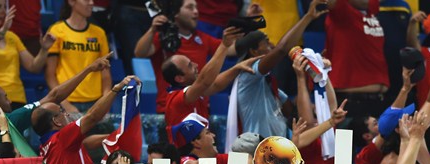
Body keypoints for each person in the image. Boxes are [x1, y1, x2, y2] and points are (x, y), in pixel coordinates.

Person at [0, 54, 111, 159]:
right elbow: (54, 97)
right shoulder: (8, 121)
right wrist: (88, 69)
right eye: (5, 97)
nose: (9, 102)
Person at [33, 74, 139, 164]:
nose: (67, 113)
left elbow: (84, 144)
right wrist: (115, 89)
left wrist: (112, 136)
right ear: (56, 121)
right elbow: (92, 116)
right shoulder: (62, 138)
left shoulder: (46, 146)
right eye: (62, 111)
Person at [232, 0, 328, 138]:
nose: (271, 44)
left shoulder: (272, 86)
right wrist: (308, 17)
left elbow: (295, 117)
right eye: (266, 42)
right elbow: (281, 49)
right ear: (253, 51)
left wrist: (312, 71)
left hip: (279, 151)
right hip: (257, 150)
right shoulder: (248, 74)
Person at [133, 0, 222, 113]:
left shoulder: (204, 38)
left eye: (196, 7)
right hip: (170, 109)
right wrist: (152, 30)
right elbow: (139, 53)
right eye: (190, 7)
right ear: (176, 13)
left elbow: (231, 49)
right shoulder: (163, 37)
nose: (196, 12)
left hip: (200, 109)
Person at [324, 0, 388, 121]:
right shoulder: (342, 12)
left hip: (378, 102)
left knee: (375, 141)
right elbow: (331, 3)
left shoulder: (371, 12)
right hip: (350, 103)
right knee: (345, 140)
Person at [44, 0, 110, 112]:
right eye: (86, 0)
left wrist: (104, 103)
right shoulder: (57, 30)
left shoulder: (99, 33)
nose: (91, 3)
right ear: (71, 2)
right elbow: (50, 75)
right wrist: (66, 105)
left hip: (95, 102)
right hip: (66, 101)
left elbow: (106, 74)